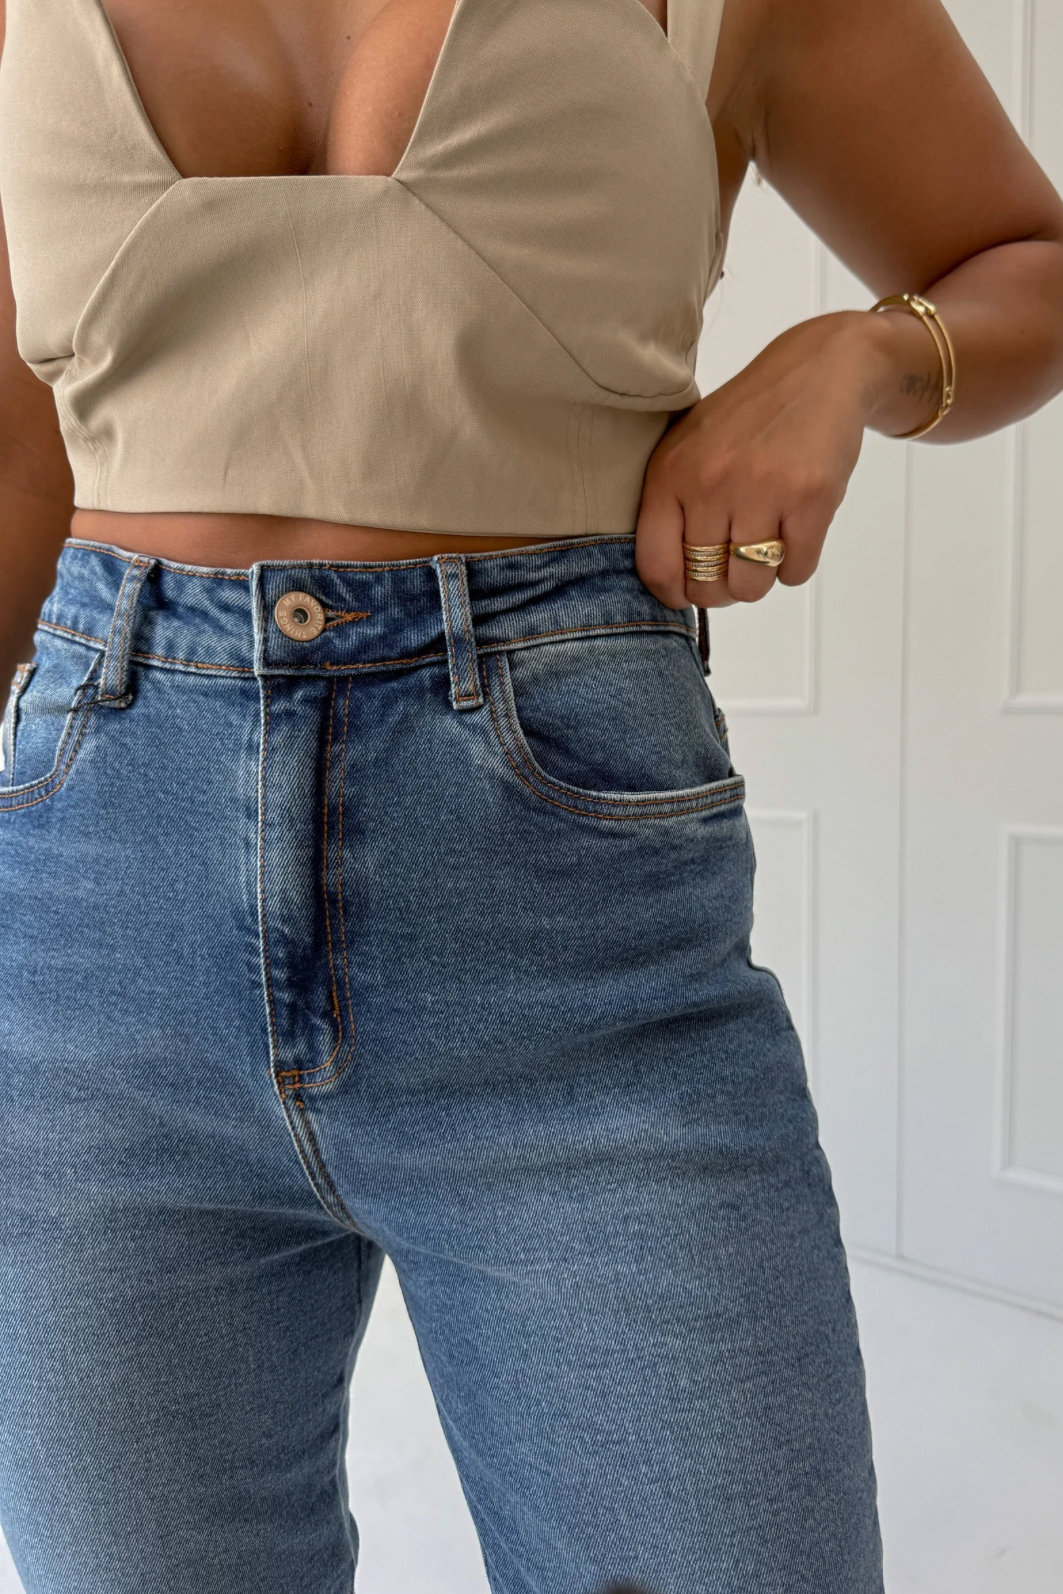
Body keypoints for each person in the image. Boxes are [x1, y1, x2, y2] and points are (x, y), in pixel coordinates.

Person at [0, 0, 1061, 1590]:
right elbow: (21, 464)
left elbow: (1024, 258)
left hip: (570, 940)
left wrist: (856, 354)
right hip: (89, 937)